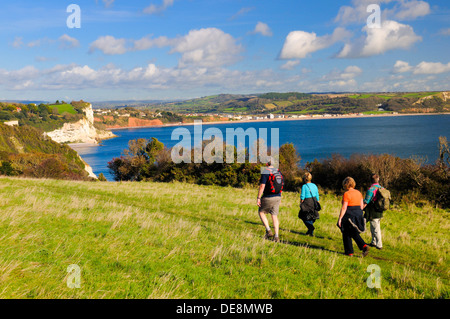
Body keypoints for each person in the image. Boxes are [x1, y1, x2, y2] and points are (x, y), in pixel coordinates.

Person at [337, 177, 370, 257]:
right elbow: (362, 206)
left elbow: (344, 207)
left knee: (346, 233)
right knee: (353, 232)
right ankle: (363, 246)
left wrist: (340, 218)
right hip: (358, 213)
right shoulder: (359, 193)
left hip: (349, 214)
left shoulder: (346, 194)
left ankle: (350, 251)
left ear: (345, 184)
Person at [257, 157, 283, 243]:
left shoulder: (266, 172)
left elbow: (262, 186)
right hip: (278, 196)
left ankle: (268, 231)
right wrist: (280, 197)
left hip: (268, 196)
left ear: (267, 163)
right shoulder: (278, 172)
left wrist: (258, 198)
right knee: (274, 215)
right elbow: (281, 184)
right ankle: (276, 236)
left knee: (261, 212)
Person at [363, 174, 383, 250]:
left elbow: (366, 201)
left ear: (371, 180)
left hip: (373, 211)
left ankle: (379, 244)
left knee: (376, 228)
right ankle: (373, 242)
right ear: (378, 180)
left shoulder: (371, 189)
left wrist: (361, 208)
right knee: (374, 226)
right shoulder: (382, 188)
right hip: (379, 210)